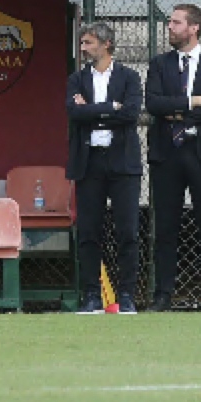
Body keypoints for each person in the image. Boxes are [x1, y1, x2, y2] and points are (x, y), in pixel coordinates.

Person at [145, 4, 201, 312]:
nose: (169, 26)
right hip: (167, 154)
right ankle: (162, 295)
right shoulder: (159, 64)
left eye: (176, 22)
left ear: (194, 27)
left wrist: (180, 113)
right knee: (166, 227)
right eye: (170, 21)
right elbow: (153, 104)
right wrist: (193, 102)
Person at [64, 20, 142, 313]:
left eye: (88, 43)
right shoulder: (76, 80)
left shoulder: (129, 77)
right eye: (82, 43)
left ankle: (126, 295)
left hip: (122, 162)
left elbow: (132, 114)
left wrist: (92, 110)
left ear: (106, 44)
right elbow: (74, 112)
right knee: (88, 232)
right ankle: (91, 295)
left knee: (128, 232)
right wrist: (111, 108)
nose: (83, 49)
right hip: (89, 161)